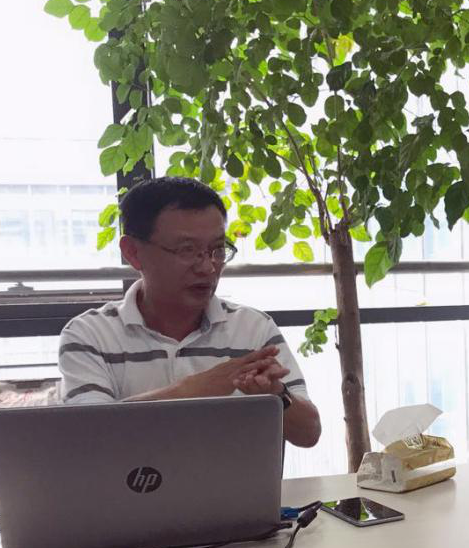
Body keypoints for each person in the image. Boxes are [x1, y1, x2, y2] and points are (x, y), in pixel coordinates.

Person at [58, 176, 322, 448]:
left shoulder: (253, 328)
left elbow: (309, 433)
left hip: (233, 479)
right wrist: (193, 390)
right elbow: (89, 438)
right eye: (187, 250)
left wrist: (277, 394)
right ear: (133, 252)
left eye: (217, 250)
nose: (208, 267)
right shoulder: (89, 335)